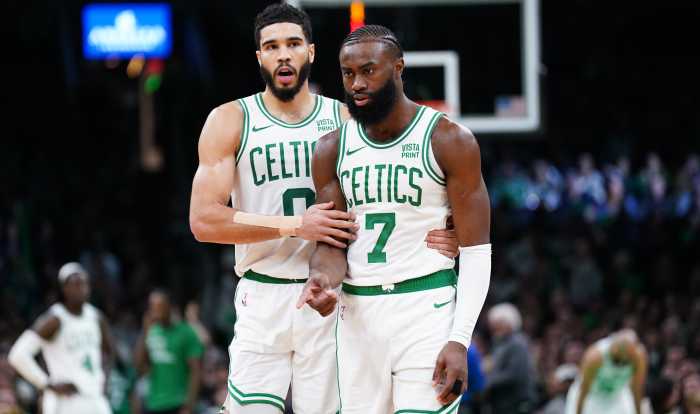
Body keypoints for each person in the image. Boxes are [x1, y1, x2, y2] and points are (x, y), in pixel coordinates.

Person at [188, 5, 458, 413]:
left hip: (332, 297)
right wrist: (296, 226)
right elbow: (204, 220)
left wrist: (448, 228)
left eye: (293, 44)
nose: (283, 55)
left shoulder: (346, 119)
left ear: (311, 53)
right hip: (263, 293)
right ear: (259, 56)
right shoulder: (231, 120)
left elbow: (400, 189)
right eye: (271, 46)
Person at [297, 25, 491, 413]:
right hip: (358, 317)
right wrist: (321, 279)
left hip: (426, 309)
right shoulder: (330, 148)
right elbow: (332, 245)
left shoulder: (449, 140)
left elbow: (476, 251)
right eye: (348, 74)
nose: (357, 83)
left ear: (398, 68)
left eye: (369, 70)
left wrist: (460, 339)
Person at [8, 262, 114, 414]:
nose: (82, 288)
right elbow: (17, 355)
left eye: (84, 283)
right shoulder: (54, 319)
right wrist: (46, 384)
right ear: (64, 289)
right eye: (76, 284)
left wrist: (104, 377)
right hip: (66, 401)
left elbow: (109, 351)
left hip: (94, 397)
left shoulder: (95, 316)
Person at [134, 290, 203, 414]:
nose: (155, 310)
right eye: (152, 306)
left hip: (178, 403)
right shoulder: (151, 332)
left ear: (169, 307)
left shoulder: (186, 332)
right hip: (154, 403)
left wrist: (189, 405)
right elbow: (139, 368)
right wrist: (144, 332)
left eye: (159, 306)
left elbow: (196, 372)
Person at [565, 329, 648, 414]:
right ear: (615, 348)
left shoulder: (638, 356)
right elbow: (583, 390)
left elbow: (637, 389)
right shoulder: (595, 356)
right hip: (590, 395)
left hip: (616, 394)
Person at [483, 303, 537, 414]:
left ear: (508, 323)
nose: (492, 329)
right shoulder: (499, 344)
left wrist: (487, 382)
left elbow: (515, 373)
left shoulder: (518, 343)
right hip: (503, 404)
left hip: (516, 403)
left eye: (497, 324)